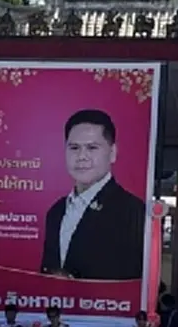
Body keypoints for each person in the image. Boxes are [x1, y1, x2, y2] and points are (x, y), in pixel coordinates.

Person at [40, 109, 146, 280]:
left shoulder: (132, 211)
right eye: (74, 148)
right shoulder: (56, 211)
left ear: (112, 153)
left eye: (92, 148)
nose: (82, 156)